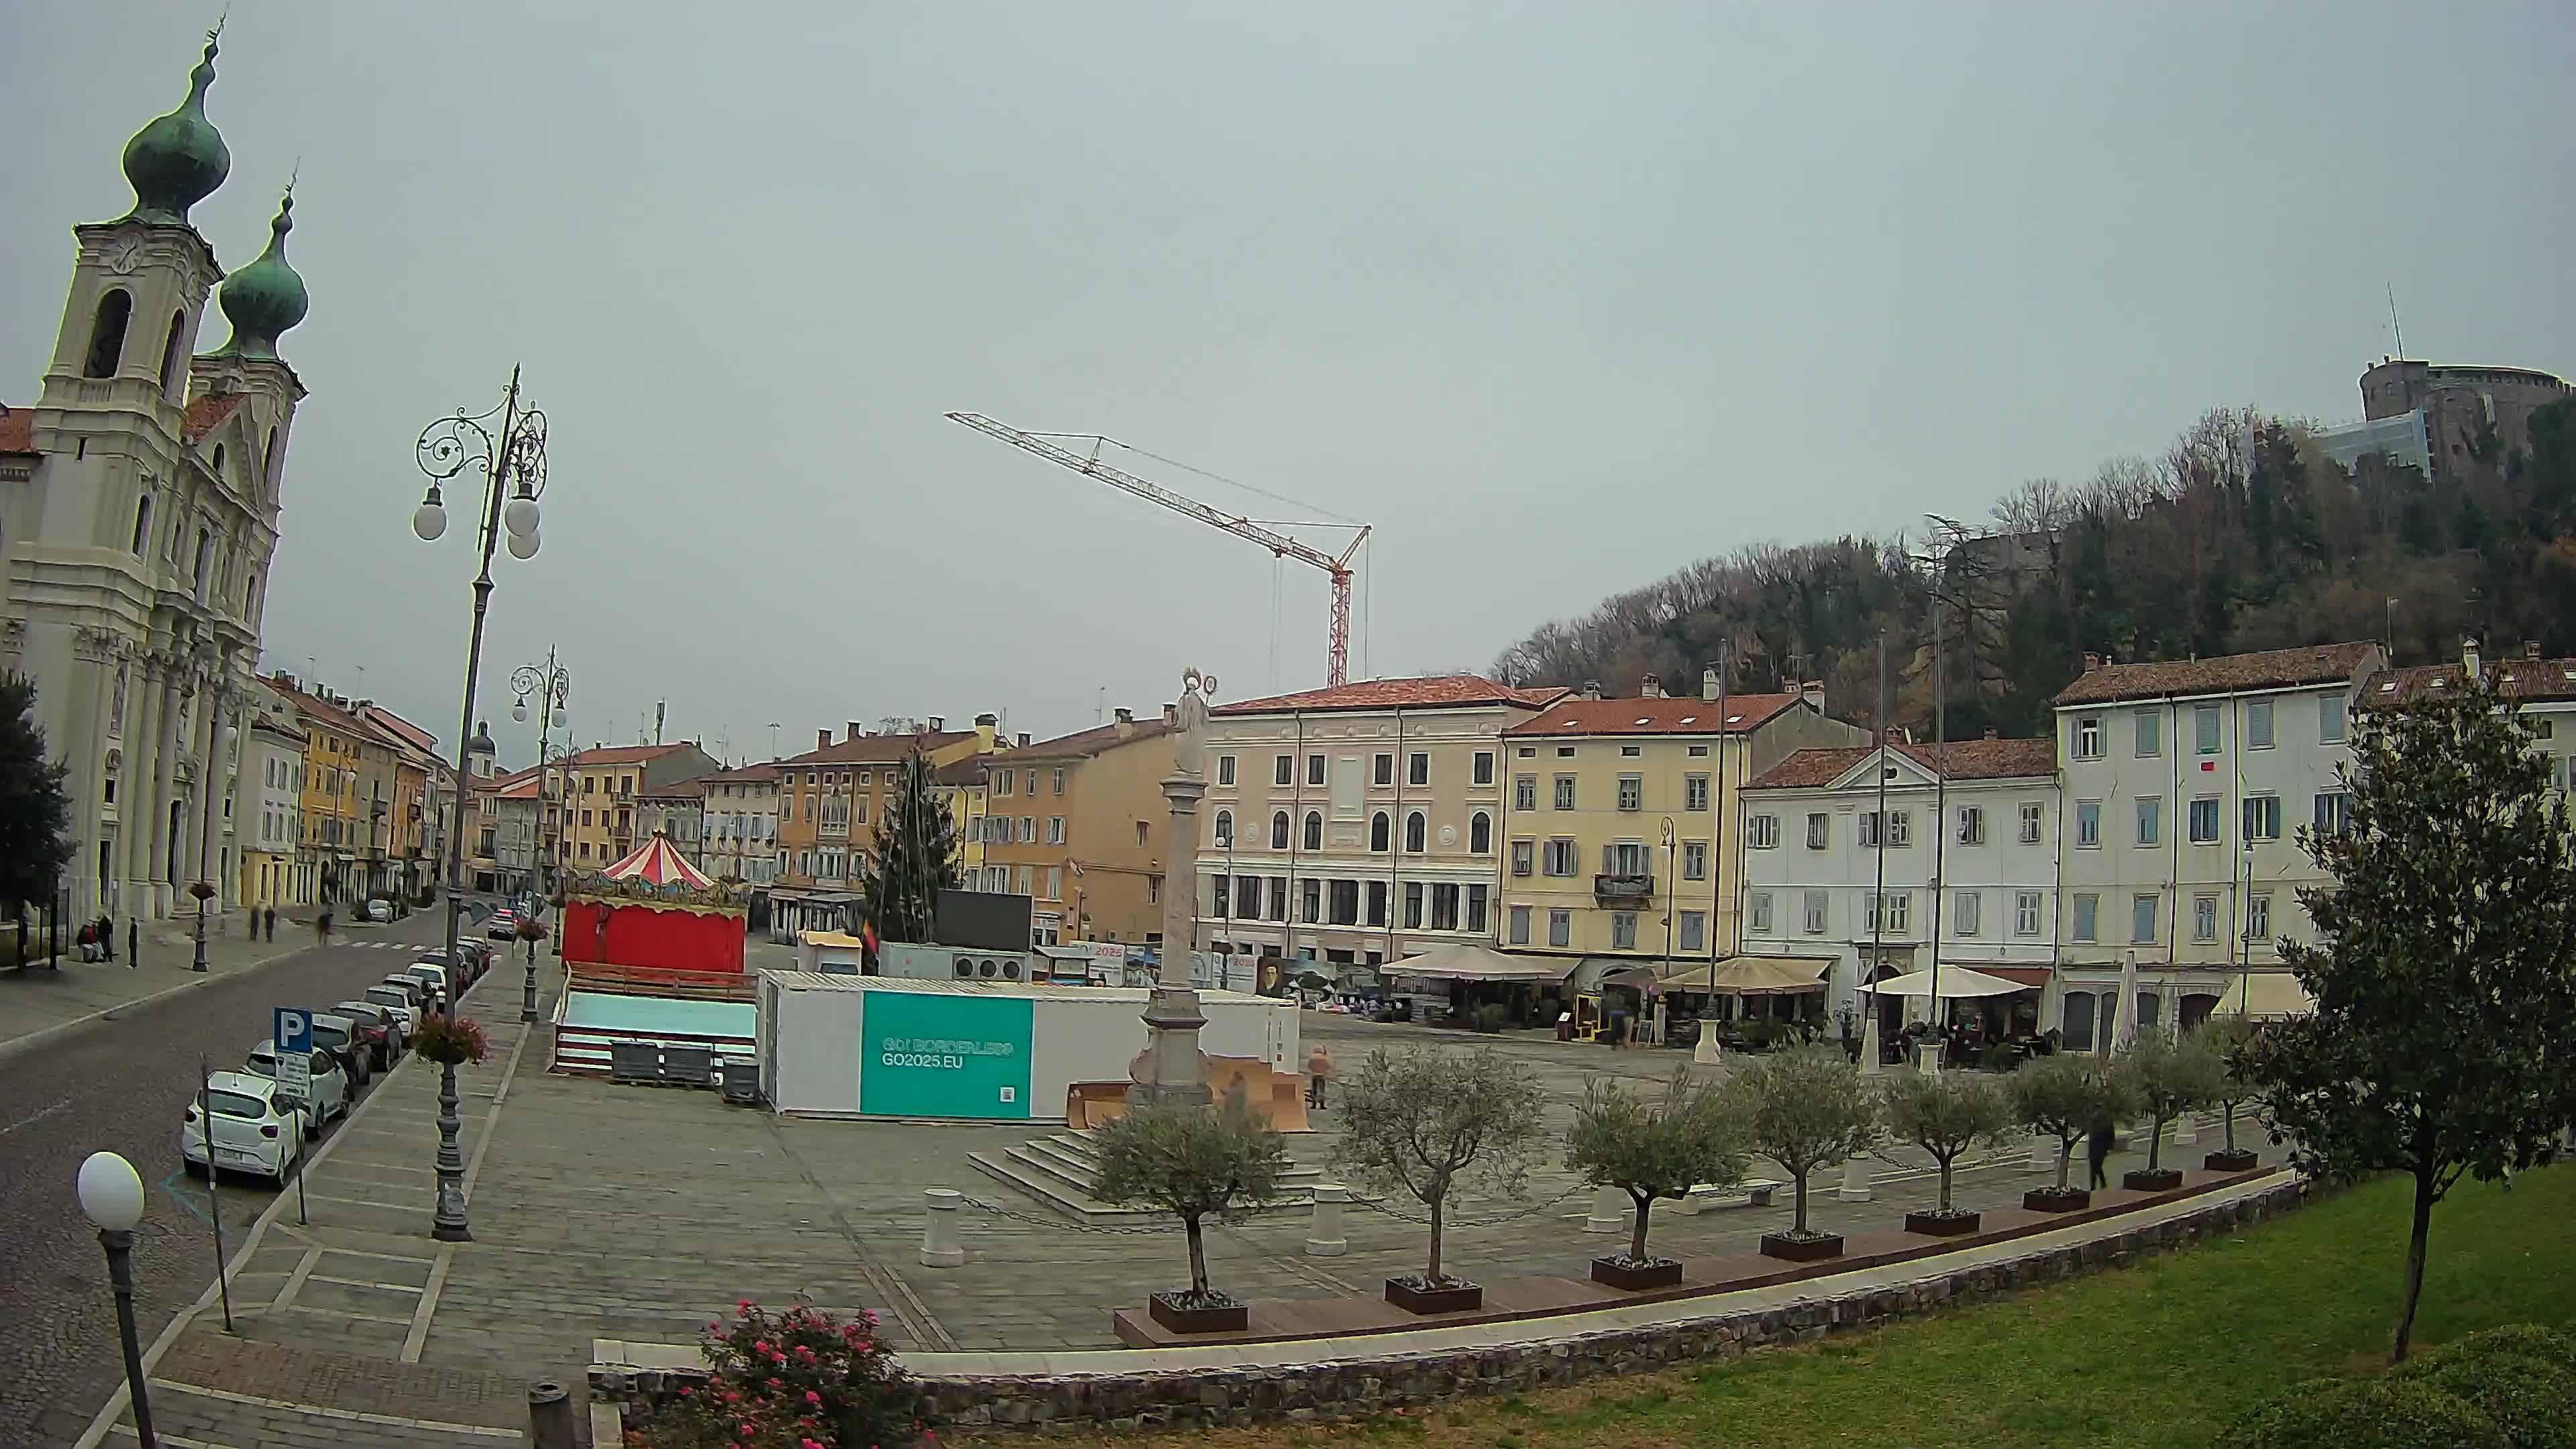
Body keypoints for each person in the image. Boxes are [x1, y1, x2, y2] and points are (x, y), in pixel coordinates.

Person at [2087, 1110, 2117, 1190]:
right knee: (2094, 1166)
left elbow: (2111, 1135)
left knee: (2096, 1166)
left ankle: (2099, 1184)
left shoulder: (2107, 1120)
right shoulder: (2092, 1118)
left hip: (2101, 1146)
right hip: (2093, 1146)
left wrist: (2109, 1148)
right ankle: (2097, 1185)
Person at [1305, 1044, 1332, 1109]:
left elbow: (1309, 1066)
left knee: (1314, 1091)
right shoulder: (1324, 1057)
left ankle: (1314, 1105)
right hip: (1322, 1076)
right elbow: (1329, 1066)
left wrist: (1314, 1070)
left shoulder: (1312, 1057)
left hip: (1314, 1075)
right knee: (1322, 1091)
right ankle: (1322, 1105)